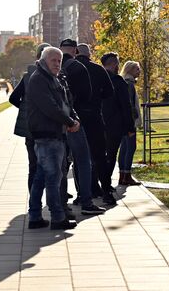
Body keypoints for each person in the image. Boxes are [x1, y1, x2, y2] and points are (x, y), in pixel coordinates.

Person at [25, 46, 78, 230]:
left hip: (54, 134)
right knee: (53, 179)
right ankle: (57, 217)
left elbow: (66, 103)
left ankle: (34, 217)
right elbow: (49, 107)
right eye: (53, 60)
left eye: (59, 61)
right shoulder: (39, 79)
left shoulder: (54, 78)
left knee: (41, 177)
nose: (57, 64)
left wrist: (74, 118)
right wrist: (70, 122)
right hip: (47, 136)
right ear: (43, 60)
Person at [58, 39, 105, 215]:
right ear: (76, 51)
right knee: (83, 160)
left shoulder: (49, 69)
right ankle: (85, 200)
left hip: (57, 123)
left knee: (61, 163)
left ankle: (61, 203)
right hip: (76, 120)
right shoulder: (78, 68)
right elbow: (87, 94)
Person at [75, 43, 116, 205]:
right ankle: (106, 192)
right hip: (95, 116)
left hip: (76, 118)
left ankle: (82, 193)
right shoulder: (98, 70)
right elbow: (109, 92)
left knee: (79, 158)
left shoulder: (71, 69)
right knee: (100, 157)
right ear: (89, 54)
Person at [9, 42, 50, 190]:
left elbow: (13, 98)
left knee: (33, 164)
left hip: (31, 128)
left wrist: (26, 109)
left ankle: (34, 199)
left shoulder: (27, 76)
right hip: (47, 128)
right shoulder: (53, 76)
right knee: (50, 165)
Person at [101, 53, 137, 186]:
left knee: (98, 157)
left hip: (98, 124)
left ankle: (97, 185)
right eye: (117, 63)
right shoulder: (117, 81)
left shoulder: (96, 79)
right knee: (110, 156)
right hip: (114, 125)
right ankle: (106, 184)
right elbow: (126, 106)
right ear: (114, 64)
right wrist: (130, 127)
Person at [117, 60, 142, 186]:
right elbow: (130, 105)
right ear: (130, 70)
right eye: (137, 69)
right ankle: (126, 175)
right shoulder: (129, 83)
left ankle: (122, 175)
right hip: (129, 121)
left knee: (124, 148)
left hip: (122, 121)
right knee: (130, 147)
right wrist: (133, 120)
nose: (139, 71)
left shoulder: (124, 81)